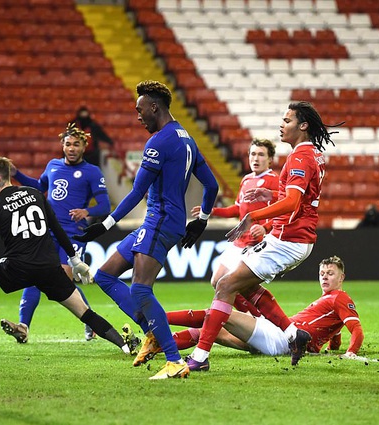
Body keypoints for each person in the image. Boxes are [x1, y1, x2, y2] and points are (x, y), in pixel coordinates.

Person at [74, 80, 220, 379]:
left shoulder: (159, 142)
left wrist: (105, 224)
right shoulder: (187, 138)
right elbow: (212, 184)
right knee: (105, 274)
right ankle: (152, 332)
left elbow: (136, 191)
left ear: (155, 107)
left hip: (160, 220)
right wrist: (202, 219)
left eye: (140, 110)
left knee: (140, 289)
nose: (138, 116)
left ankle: (174, 359)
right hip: (167, 221)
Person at [186, 101, 343, 372]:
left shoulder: (300, 157)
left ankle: (199, 358)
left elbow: (292, 202)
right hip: (293, 238)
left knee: (224, 286)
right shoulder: (313, 154)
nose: (281, 125)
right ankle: (294, 334)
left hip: (289, 239)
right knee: (240, 285)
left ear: (303, 126)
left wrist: (255, 217)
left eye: (287, 121)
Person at [0, 156, 132, 356]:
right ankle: (125, 346)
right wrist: (75, 260)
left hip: (18, 270)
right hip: (50, 270)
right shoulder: (35, 194)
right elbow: (57, 229)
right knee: (85, 312)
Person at [1, 123, 112, 343]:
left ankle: (91, 321)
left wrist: (86, 211)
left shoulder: (92, 172)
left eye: (76, 144)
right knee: (35, 275)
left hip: (72, 234)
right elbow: (39, 186)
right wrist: (17, 174)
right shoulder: (52, 166)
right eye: (68, 144)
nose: (71, 148)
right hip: (46, 231)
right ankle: (23, 326)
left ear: (84, 147)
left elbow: (105, 205)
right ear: (62, 146)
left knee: (62, 279)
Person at [151, 256, 363, 362]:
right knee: (212, 330)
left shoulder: (340, 298)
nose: (325, 277)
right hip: (275, 337)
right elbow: (336, 328)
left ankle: (156, 318)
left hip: (280, 338)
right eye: (322, 273)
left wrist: (351, 352)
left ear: (341, 277)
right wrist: (334, 347)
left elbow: (356, 329)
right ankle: (157, 344)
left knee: (216, 314)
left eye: (330, 273)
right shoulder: (330, 300)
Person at [191, 138, 279, 291]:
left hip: (257, 243)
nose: (256, 158)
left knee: (236, 286)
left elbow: (283, 212)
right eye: (253, 154)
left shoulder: (274, 180)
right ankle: (250, 315)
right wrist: (212, 211)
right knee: (217, 281)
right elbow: (238, 209)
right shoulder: (246, 179)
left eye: (261, 154)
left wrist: (265, 228)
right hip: (239, 241)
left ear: (270, 159)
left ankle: (253, 315)